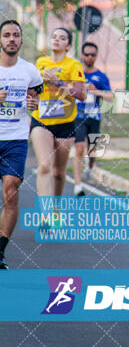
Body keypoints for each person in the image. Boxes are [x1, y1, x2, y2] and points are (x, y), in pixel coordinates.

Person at [0, 20, 43, 269]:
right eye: (7, 35)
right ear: (1, 40)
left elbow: (36, 96)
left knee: (11, 192)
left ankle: (1, 250)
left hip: (16, 139)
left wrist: (34, 104)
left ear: (21, 40)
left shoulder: (30, 71)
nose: (12, 39)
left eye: (16, 35)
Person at [30, 28, 86, 197]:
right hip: (41, 121)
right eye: (53, 36)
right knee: (44, 166)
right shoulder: (41, 63)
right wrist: (39, 86)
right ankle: (45, 214)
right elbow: (32, 91)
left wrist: (58, 82)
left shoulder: (73, 65)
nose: (56, 40)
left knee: (58, 172)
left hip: (65, 123)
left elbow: (81, 94)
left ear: (68, 46)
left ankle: (56, 208)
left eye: (62, 38)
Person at [73, 42, 113, 196]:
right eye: (87, 54)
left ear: (96, 56)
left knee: (93, 150)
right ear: (82, 55)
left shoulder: (101, 76)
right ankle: (78, 185)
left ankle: (90, 167)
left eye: (93, 55)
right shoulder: (75, 73)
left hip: (94, 116)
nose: (90, 57)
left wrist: (97, 92)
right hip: (78, 115)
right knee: (79, 148)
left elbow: (110, 97)